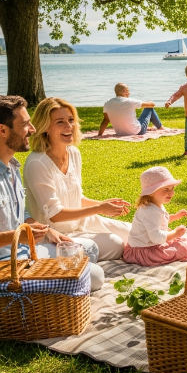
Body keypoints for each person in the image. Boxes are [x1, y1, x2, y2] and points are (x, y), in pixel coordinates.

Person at [0, 96, 103, 302]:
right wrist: (17, 237)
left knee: (88, 248)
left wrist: (41, 228)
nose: (33, 129)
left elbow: (19, 214)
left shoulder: (10, 166)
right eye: (25, 124)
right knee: (96, 276)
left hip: (24, 258)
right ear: (2, 130)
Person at [24, 97, 132, 261]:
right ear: (45, 127)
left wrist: (103, 204)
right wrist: (100, 208)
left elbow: (77, 198)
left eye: (71, 120)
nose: (69, 126)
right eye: (60, 122)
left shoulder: (73, 153)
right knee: (116, 244)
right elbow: (55, 215)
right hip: (55, 234)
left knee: (134, 234)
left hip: (82, 222)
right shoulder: (37, 163)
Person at [123, 167, 187, 266]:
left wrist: (176, 216)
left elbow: (159, 222)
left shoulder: (154, 205)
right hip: (145, 252)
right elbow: (156, 238)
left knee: (184, 241)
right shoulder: (150, 212)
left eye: (172, 188)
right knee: (184, 247)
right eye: (166, 189)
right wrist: (175, 233)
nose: (171, 192)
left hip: (147, 246)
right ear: (152, 192)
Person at [99, 83, 164, 136]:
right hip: (138, 132)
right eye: (128, 90)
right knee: (149, 108)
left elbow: (106, 120)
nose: (129, 93)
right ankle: (161, 127)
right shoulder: (130, 101)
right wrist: (149, 101)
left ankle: (159, 127)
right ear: (124, 91)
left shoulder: (107, 103)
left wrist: (100, 134)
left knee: (137, 119)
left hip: (119, 133)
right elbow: (152, 105)